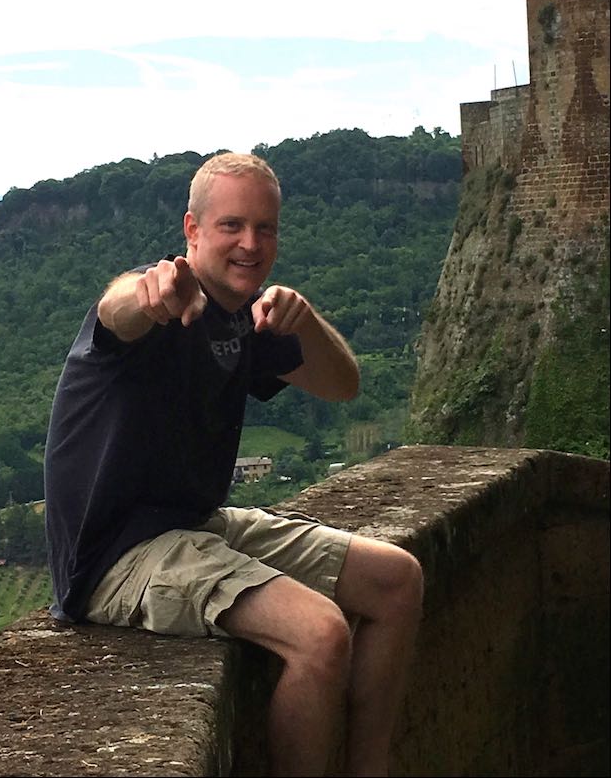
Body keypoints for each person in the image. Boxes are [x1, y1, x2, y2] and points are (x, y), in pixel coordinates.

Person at [44, 152, 423, 777]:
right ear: (192, 230)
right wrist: (152, 294)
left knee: (397, 581)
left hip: (195, 526)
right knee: (321, 635)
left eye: (266, 228)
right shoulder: (161, 294)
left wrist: (308, 324)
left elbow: (343, 384)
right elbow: (118, 310)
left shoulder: (244, 320)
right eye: (232, 226)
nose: (251, 243)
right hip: (114, 557)